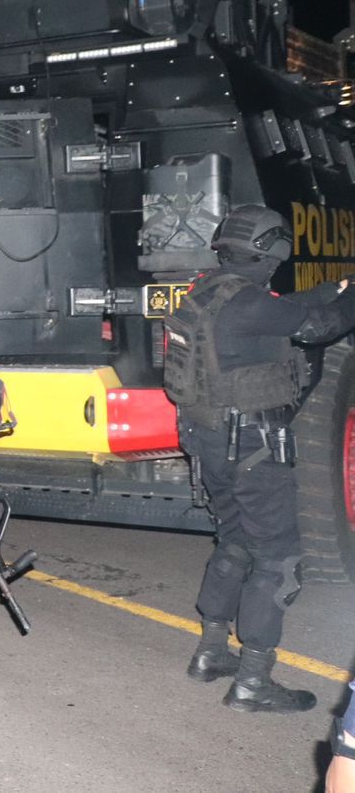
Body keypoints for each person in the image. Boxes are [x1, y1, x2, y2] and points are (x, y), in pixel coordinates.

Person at [166, 205, 355, 712]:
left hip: (210, 444)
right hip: (253, 447)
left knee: (234, 542)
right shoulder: (250, 303)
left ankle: (210, 653)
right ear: (271, 248)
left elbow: (281, 312)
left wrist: (326, 293)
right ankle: (253, 679)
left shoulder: (209, 292)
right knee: (278, 556)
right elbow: (318, 327)